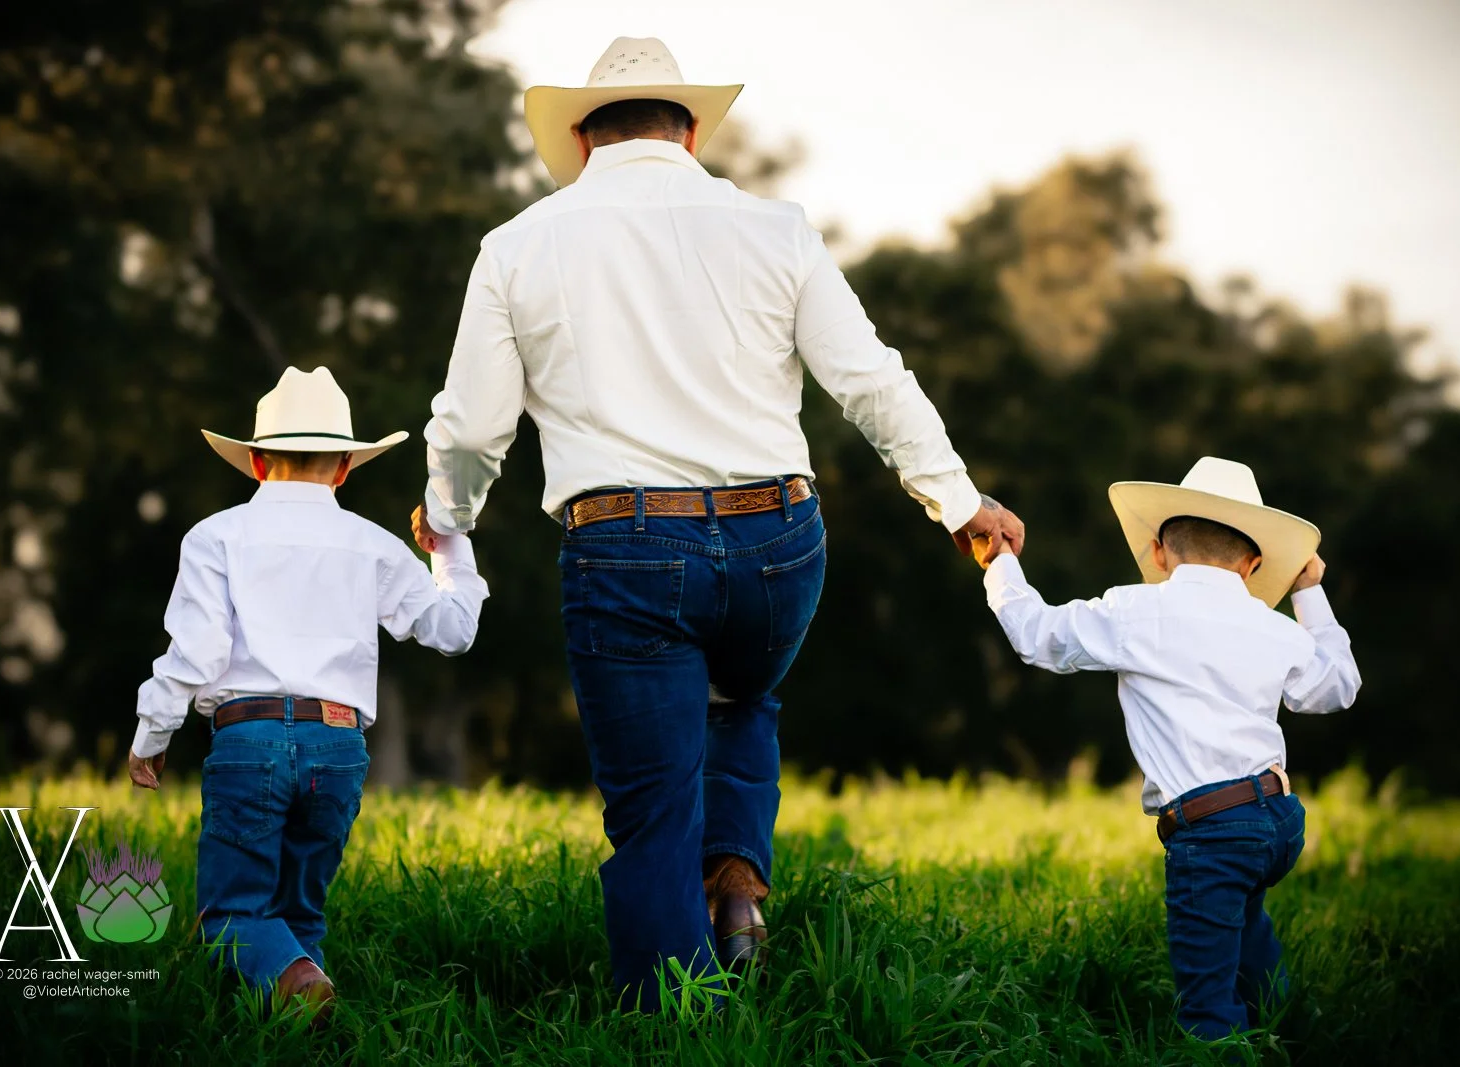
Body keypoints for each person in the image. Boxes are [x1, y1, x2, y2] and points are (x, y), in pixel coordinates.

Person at [411, 36, 1024, 1009]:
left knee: (654, 807)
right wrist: (956, 496)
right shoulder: (776, 229)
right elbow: (868, 378)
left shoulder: (518, 244)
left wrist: (447, 520)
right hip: (780, 540)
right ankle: (736, 893)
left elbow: (473, 424)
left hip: (626, 546)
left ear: (579, 137)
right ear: (690, 130)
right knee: (743, 690)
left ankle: (672, 1018)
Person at [128, 366, 488, 1025]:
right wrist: (450, 549)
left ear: (257, 462)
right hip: (337, 745)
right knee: (300, 914)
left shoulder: (215, 537)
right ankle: (304, 1022)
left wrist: (153, 732)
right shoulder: (371, 545)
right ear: (346, 467)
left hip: (249, 737)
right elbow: (453, 628)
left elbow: (198, 651)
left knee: (232, 914)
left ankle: (295, 989)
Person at [982, 456, 1361, 1041]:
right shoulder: (1272, 625)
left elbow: (1037, 637)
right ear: (1253, 563)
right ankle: (1296, 1034)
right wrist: (1308, 590)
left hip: (1211, 831)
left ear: (1158, 552)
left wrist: (1001, 562)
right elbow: (1338, 688)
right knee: (1247, 933)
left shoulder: (1135, 610)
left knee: (1207, 1010)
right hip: (1279, 821)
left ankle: (1230, 1045)